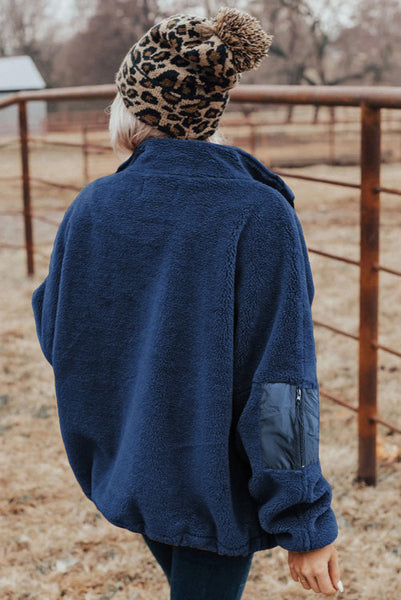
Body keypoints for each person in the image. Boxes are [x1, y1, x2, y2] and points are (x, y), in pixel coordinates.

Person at [31, 6, 343, 599]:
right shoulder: (259, 214)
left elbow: (58, 329)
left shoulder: (92, 206)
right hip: (216, 486)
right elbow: (283, 387)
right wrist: (304, 520)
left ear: (132, 105)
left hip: (132, 468)